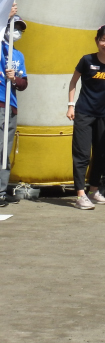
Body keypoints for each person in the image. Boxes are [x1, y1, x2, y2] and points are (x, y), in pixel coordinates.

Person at [67, 25, 105, 210]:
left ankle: (94, 190)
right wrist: (70, 106)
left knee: (101, 153)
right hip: (84, 112)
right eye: (103, 40)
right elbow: (73, 82)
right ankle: (80, 194)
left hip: (103, 114)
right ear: (97, 41)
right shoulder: (87, 60)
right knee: (82, 154)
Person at [0, 13, 27, 206]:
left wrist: (14, 79)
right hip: (0, 102)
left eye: (19, 29)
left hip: (12, 106)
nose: (16, 31)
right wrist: (6, 15)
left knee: (5, 152)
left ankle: (1, 190)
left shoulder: (19, 55)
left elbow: (23, 83)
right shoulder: (1, 48)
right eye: (13, 27)